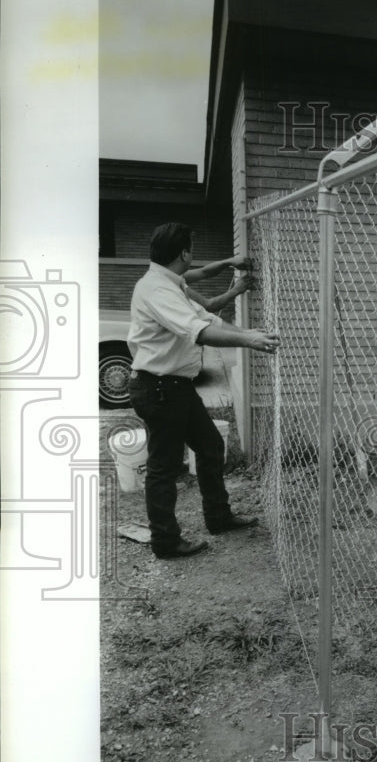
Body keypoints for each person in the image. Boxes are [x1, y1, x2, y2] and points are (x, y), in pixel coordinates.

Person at [127, 222, 280, 559]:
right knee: (163, 467)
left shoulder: (171, 283)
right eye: (192, 247)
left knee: (210, 446)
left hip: (174, 387)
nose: (193, 253)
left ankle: (219, 517)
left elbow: (208, 318)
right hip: (159, 388)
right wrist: (248, 340)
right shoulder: (157, 289)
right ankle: (166, 543)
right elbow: (198, 331)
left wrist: (246, 331)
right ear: (184, 253)